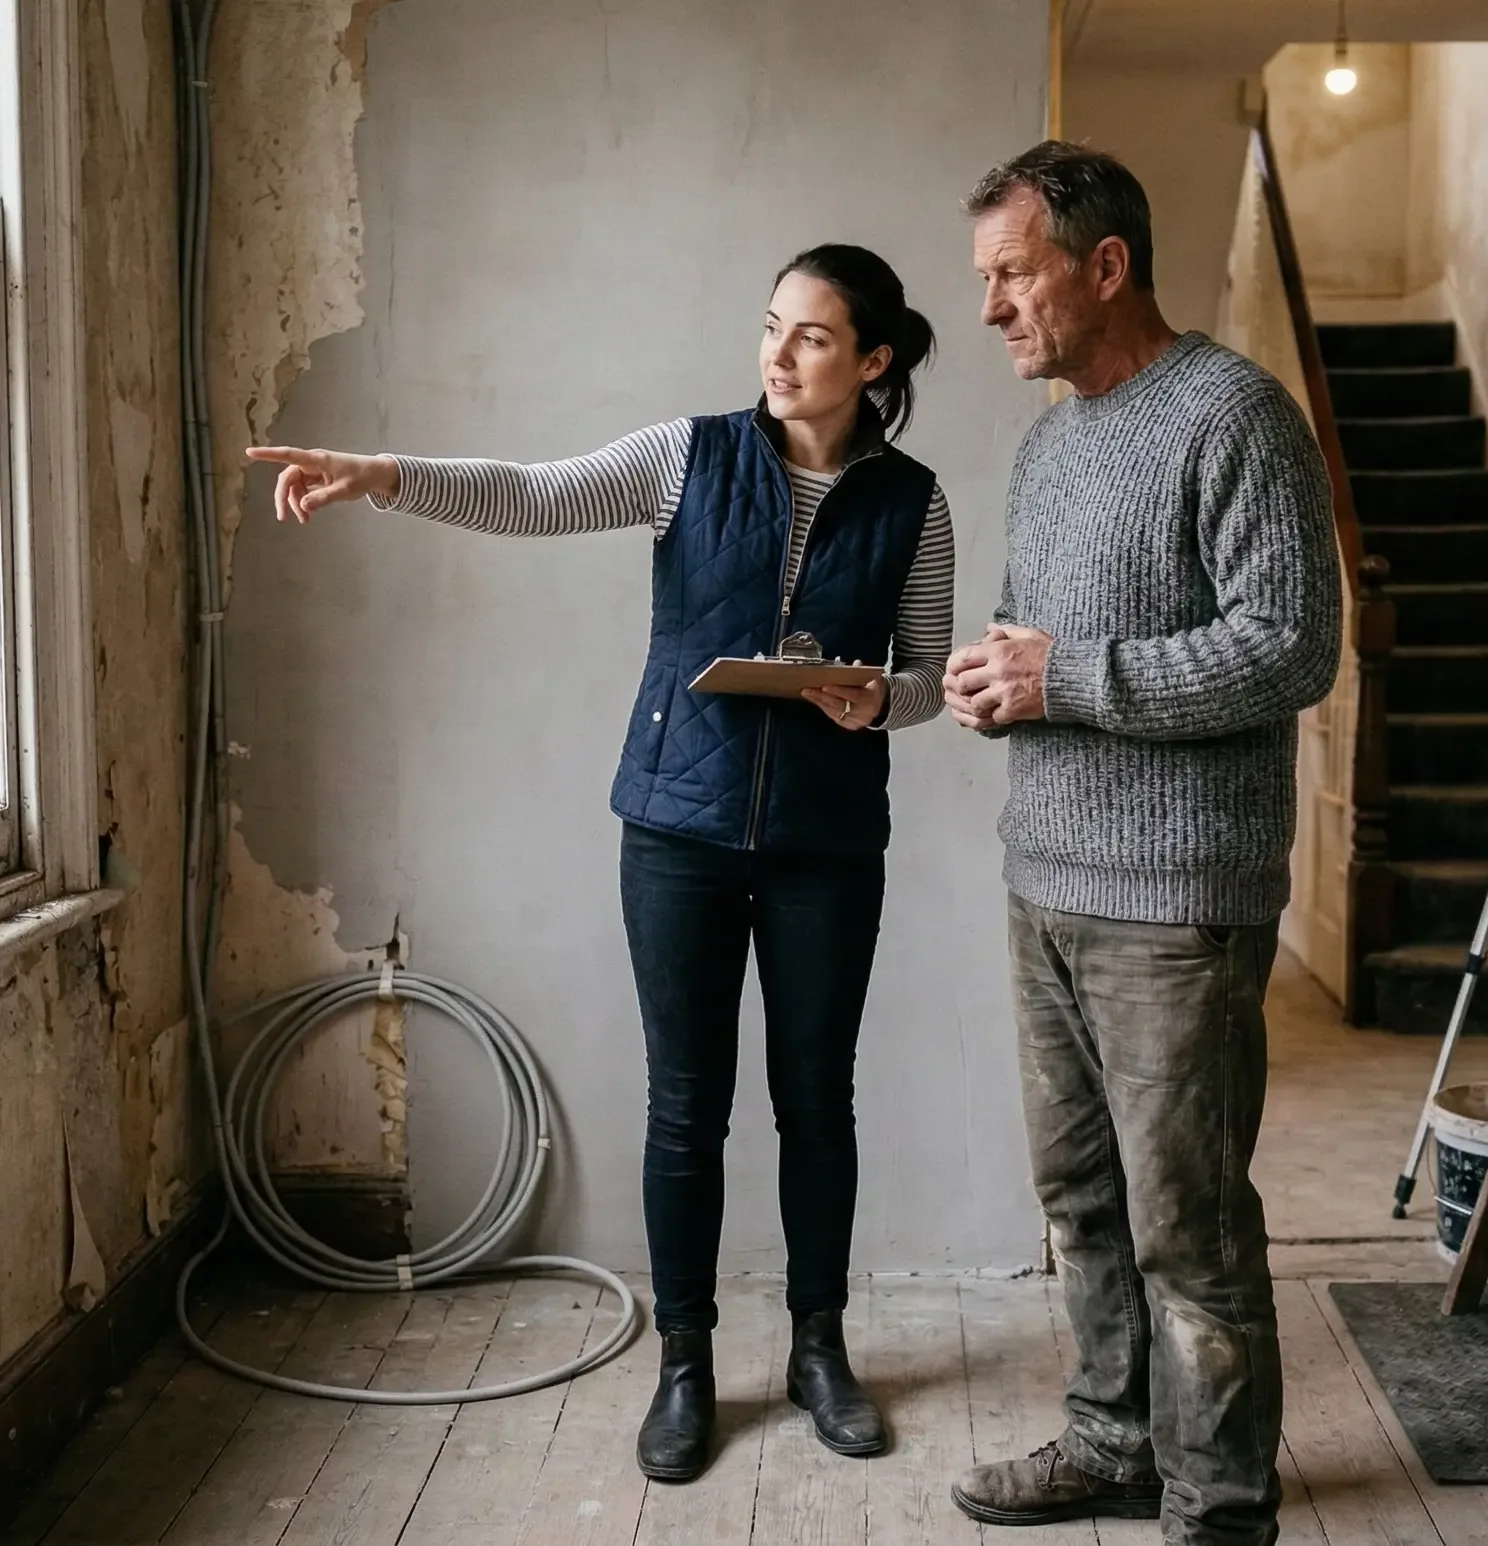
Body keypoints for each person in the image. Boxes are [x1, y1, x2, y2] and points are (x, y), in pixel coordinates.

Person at [247, 244, 953, 1483]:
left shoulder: (914, 501)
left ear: (874, 360)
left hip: (827, 847)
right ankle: (686, 1364)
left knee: (815, 1103)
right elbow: (534, 491)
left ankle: (819, 1349)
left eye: (813, 338)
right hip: (674, 833)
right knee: (685, 1105)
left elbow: (932, 676)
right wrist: (380, 476)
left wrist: (872, 695)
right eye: (770, 327)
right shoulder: (690, 455)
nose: (778, 356)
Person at [942, 144, 1340, 1545]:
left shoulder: (1235, 415)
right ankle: (1115, 1438)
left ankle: (1221, 1498)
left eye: (1011, 275)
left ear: (1102, 266)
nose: (990, 308)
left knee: (1188, 1222)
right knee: (1082, 1199)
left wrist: (1065, 679)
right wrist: (999, 685)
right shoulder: (1050, 441)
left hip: (1176, 902)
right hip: (1041, 879)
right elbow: (1039, 642)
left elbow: (1288, 647)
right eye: (982, 278)